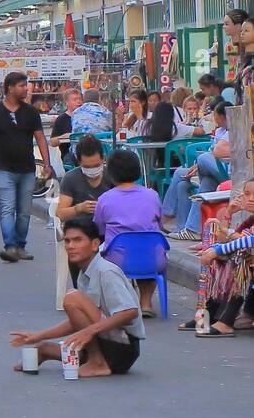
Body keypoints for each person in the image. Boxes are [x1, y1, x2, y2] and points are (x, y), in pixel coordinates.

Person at [8, 217, 143, 377]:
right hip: (107, 343)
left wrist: (89, 331)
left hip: (123, 347)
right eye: (67, 241)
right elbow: (81, 319)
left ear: (94, 244)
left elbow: (129, 312)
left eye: (78, 240)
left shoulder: (106, 272)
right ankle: (50, 352)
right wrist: (38, 336)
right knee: (42, 346)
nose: (70, 246)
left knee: (72, 298)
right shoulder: (84, 273)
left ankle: (97, 363)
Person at [0, 71, 54, 262]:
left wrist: (47, 164)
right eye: (22, 85)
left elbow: (40, 138)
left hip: (26, 169)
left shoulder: (31, 112)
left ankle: (20, 246)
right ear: (9, 88)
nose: (26, 89)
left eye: (26, 85)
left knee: (24, 210)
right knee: (7, 208)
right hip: (3, 169)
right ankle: (10, 246)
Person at [93, 149, 163, 318]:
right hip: (152, 258)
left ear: (111, 172)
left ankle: (118, 302)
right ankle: (145, 302)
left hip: (118, 259)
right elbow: (159, 224)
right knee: (148, 250)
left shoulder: (105, 198)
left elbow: (100, 228)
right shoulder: (152, 195)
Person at [162, 102, 230, 242]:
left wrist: (199, 164)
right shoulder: (219, 131)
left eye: (215, 115)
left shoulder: (234, 131)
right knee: (186, 184)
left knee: (192, 165)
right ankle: (187, 229)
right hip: (216, 172)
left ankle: (166, 214)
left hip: (228, 173)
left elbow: (217, 152)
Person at [194, 179, 254, 336]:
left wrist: (217, 250)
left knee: (241, 264)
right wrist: (228, 213)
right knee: (223, 261)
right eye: (247, 194)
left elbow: (246, 240)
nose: (251, 199)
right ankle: (208, 316)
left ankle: (225, 321)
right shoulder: (250, 220)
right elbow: (224, 238)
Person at [56, 135, 112, 226]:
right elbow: (60, 214)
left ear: (103, 159)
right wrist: (79, 209)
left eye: (96, 165)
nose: (92, 170)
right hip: (81, 229)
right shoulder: (70, 178)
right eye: (87, 167)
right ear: (79, 162)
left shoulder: (112, 176)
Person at [49, 89, 81, 166]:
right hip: (69, 155)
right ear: (67, 103)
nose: (79, 102)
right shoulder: (61, 119)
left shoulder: (85, 117)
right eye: (75, 99)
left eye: (80, 99)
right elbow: (52, 142)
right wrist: (65, 136)